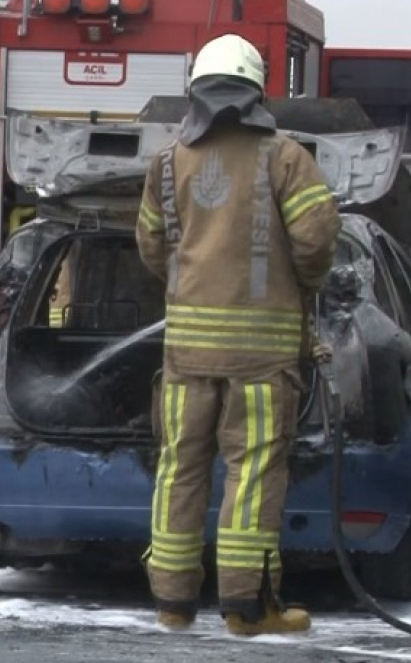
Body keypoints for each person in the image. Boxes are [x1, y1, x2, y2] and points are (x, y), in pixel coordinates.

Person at [135, 34, 341, 635]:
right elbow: (315, 239)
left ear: (195, 90)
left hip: (185, 355)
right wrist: (301, 283)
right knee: (251, 474)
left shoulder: (168, 162)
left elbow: (150, 246)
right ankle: (246, 609)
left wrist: (190, 281)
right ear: (256, 91)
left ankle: (173, 604)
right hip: (261, 357)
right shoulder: (284, 157)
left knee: (180, 467)